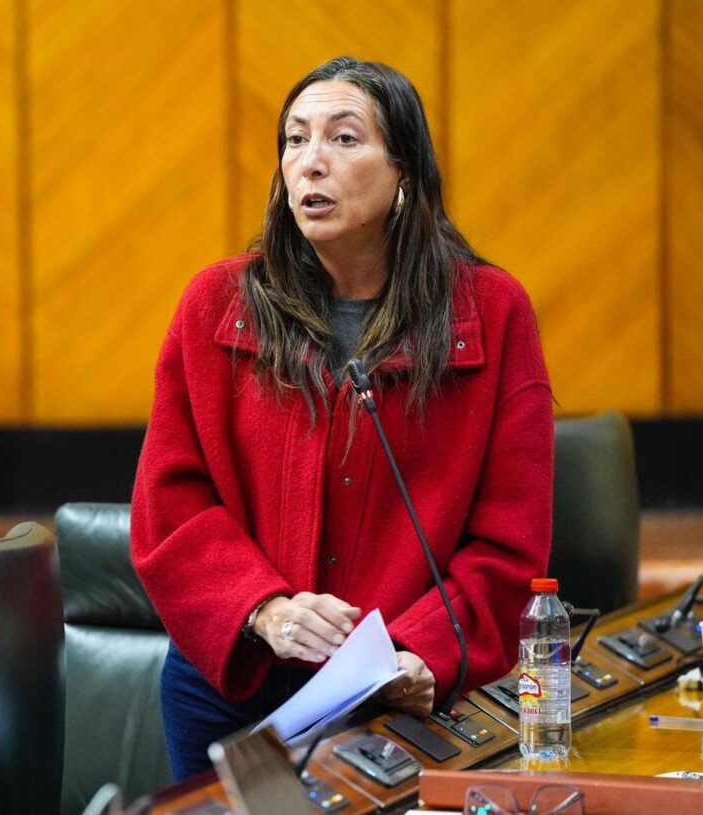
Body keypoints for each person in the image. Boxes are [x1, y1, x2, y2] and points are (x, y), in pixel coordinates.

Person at [129, 56, 554, 780]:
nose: (310, 162)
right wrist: (264, 609)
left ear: (405, 178)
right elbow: (170, 504)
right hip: (234, 688)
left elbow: (509, 543)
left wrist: (426, 651)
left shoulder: (490, 313)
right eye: (295, 140)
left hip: (397, 695)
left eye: (344, 138)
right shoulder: (216, 305)